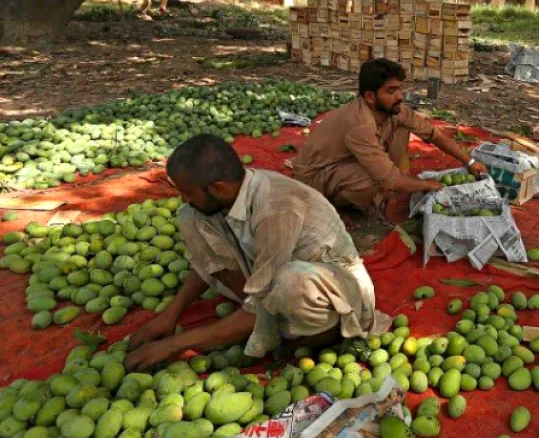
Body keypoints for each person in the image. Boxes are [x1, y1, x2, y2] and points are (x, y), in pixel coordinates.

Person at [123, 134, 390, 370]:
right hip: (271, 280)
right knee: (190, 217)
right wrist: (171, 314)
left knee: (289, 281)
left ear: (218, 188)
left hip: (337, 295)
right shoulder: (229, 196)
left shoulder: (275, 207)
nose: (183, 198)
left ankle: (308, 335)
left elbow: (269, 294)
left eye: (188, 193)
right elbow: (209, 261)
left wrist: (173, 345)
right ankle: (255, 324)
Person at [293, 58, 488, 214]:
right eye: (391, 91)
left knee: (403, 126)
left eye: (400, 88)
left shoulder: (395, 109)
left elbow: (433, 135)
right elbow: (388, 178)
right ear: (370, 97)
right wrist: (428, 185)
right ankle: (345, 203)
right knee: (375, 180)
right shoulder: (360, 125)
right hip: (316, 176)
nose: (400, 96)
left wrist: (469, 161)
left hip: (347, 159)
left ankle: (394, 185)